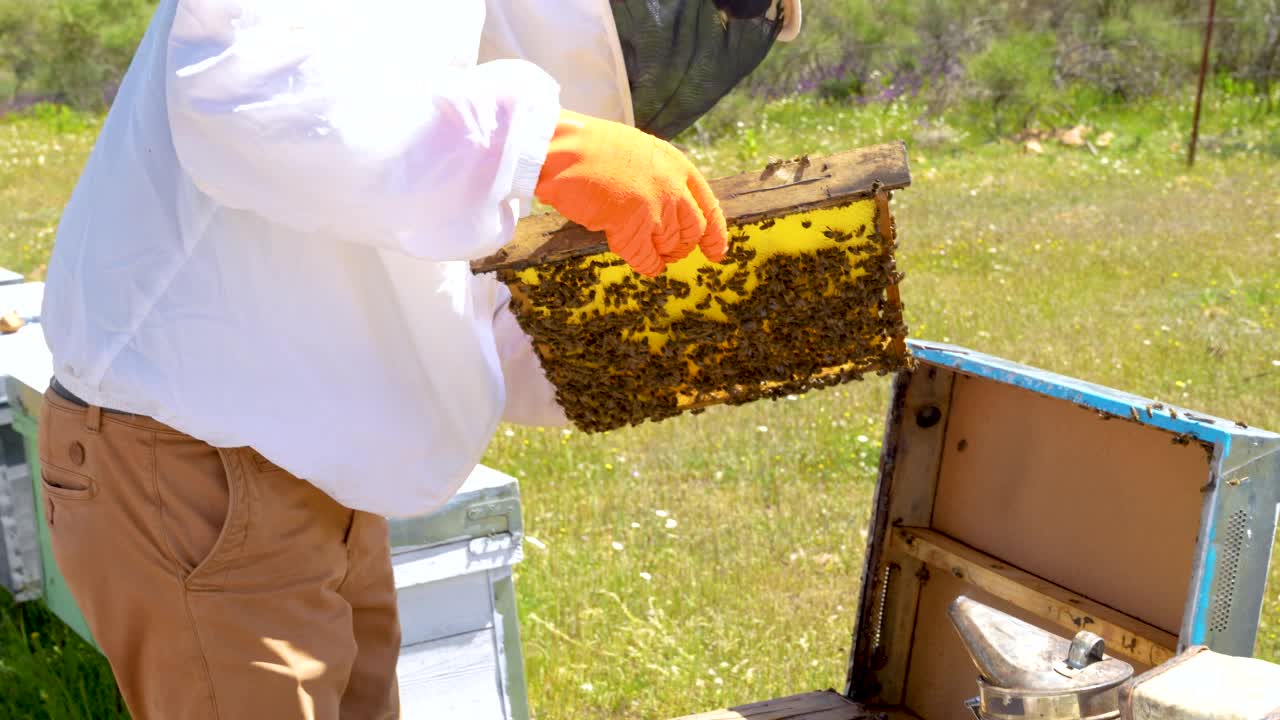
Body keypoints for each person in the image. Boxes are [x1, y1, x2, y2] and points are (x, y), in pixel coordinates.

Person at [35, 0, 801, 717]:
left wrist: (656, 346)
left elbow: (423, 252)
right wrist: (545, 147)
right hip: (198, 453)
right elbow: (242, 93)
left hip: (317, 456)